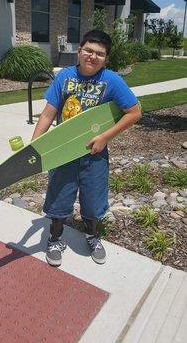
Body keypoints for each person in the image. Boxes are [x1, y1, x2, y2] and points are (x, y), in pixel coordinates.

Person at [32, 29, 142, 267]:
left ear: (106, 58)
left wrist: (104, 137)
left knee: (93, 198)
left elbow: (134, 112)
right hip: (63, 152)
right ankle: (54, 238)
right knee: (59, 196)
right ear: (79, 51)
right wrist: (34, 148)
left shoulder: (111, 80)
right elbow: (48, 114)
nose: (93, 57)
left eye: (100, 54)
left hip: (94, 154)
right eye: (89, 51)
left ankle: (92, 235)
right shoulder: (64, 77)